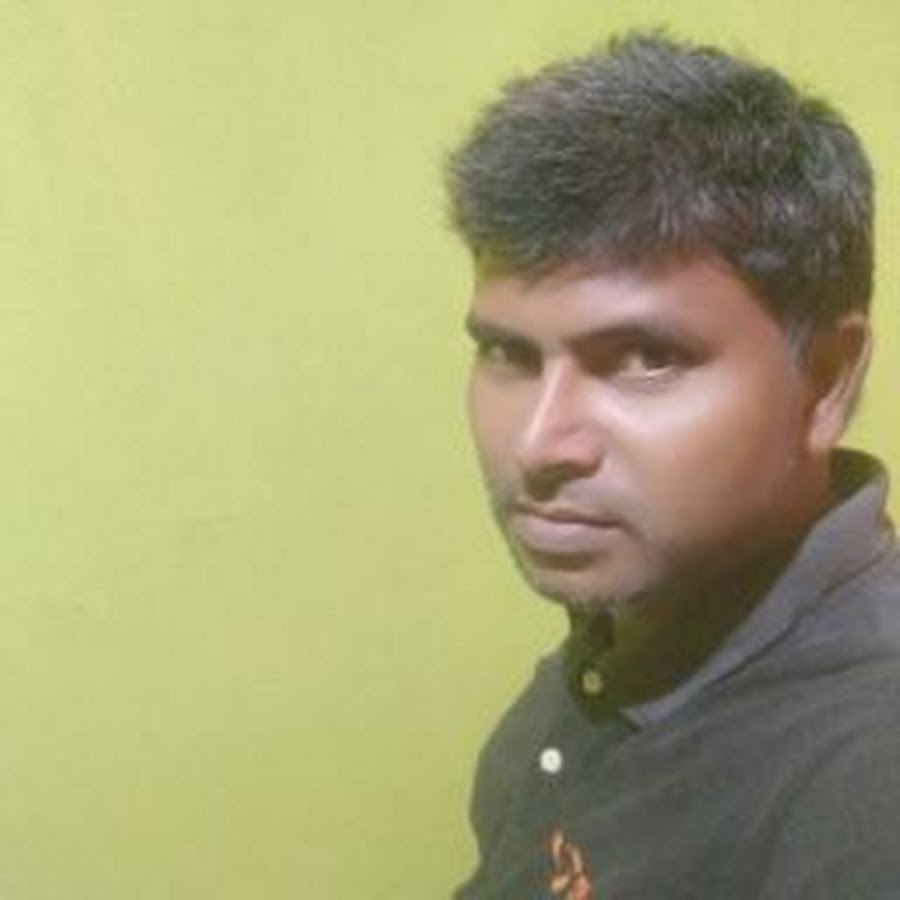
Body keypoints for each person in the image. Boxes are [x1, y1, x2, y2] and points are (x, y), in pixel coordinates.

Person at [445, 32, 900, 899]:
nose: (537, 443)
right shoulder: (628, 645)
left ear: (827, 380)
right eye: (507, 353)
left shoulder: (870, 785)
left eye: (645, 358)